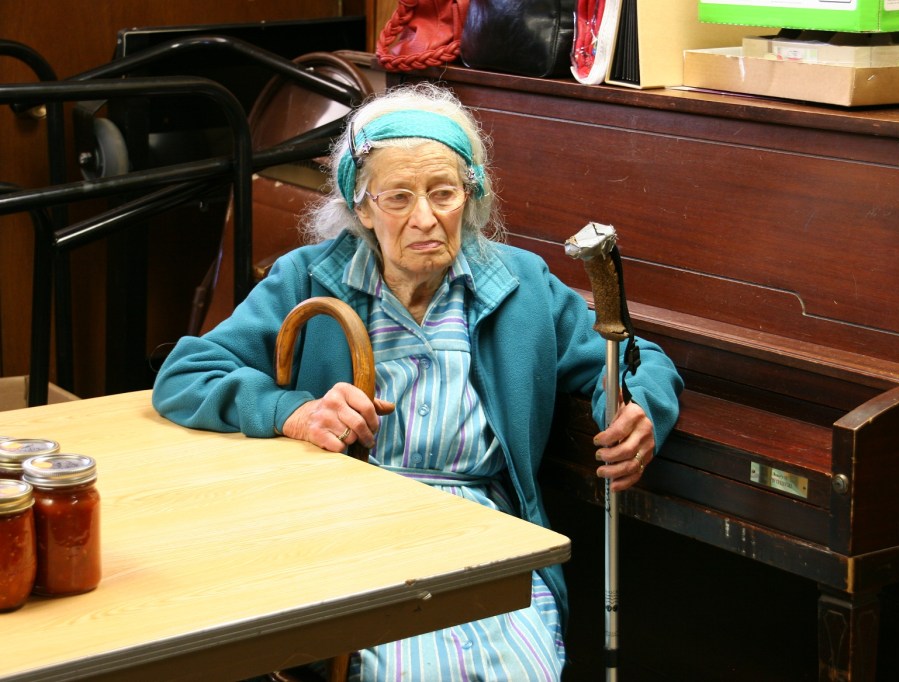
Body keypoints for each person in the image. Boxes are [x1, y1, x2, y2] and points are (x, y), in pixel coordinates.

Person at [152, 82, 683, 681]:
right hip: (355, 533)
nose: (424, 218)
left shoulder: (521, 285)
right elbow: (186, 372)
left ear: (472, 195)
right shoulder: (308, 277)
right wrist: (292, 412)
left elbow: (632, 357)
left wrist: (641, 407)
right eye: (398, 197)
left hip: (491, 536)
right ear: (361, 205)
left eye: (443, 193)